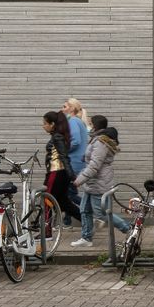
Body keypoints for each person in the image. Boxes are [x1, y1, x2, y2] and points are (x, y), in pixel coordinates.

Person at [70, 115, 129, 247]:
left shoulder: (101, 142)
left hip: (99, 182)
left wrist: (78, 180)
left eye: (90, 123)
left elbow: (94, 165)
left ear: (96, 126)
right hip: (92, 182)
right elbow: (91, 158)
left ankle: (128, 229)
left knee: (102, 214)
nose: (88, 126)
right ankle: (86, 238)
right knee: (84, 210)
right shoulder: (96, 139)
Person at [41, 109, 79, 225]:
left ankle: (46, 232)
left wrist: (72, 176)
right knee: (64, 203)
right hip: (60, 174)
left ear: (52, 124)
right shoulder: (58, 136)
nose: (43, 126)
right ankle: (87, 222)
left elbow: (64, 157)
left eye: (45, 123)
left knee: (47, 200)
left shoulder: (57, 137)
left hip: (55, 173)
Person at [62, 97, 89, 227]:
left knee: (69, 194)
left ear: (71, 108)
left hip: (73, 163)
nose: (62, 109)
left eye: (65, 106)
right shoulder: (78, 121)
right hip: (78, 162)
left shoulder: (73, 121)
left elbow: (76, 141)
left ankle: (93, 211)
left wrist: (62, 149)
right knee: (68, 193)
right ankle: (66, 222)